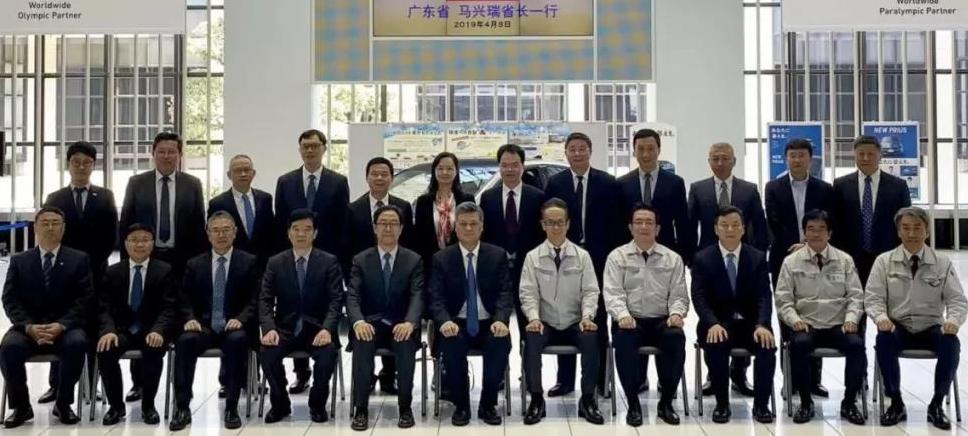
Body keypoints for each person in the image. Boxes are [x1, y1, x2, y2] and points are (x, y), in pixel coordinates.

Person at [118, 132, 206, 402]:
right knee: (141, 315)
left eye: (172, 152)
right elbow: (126, 223)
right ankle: (139, 383)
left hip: (182, 261)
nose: (167, 156)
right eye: (162, 151)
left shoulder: (192, 184)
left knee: (179, 317)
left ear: (180, 155)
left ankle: (181, 382)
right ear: (153, 154)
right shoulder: (137, 183)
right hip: (146, 260)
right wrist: (128, 262)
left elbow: (198, 226)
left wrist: (197, 265)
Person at [866, 207, 967, 430]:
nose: (911, 233)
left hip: (931, 326)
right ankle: (896, 402)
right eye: (906, 228)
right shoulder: (884, 261)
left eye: (917, 228)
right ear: (898, 232)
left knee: (951, 344)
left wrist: (954, 320)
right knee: (883, 340)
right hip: (898, 326)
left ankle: (936, 404)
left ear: (927, 231)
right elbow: (872, 297)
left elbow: (958, 300)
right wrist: (880, 317)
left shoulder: (942, 263)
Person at [542, 132, 623, 397]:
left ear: (590, 151)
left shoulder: (608, 182)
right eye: (572, 149)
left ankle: (599, 380)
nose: (577, 153)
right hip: (564, 257)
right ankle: (565, 380)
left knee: (597, 317)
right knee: (566, 314)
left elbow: (616, 224)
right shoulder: (555, 183)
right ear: (566, 153)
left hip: (599, 259)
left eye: (582, 149)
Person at [0, 207, 94, 428]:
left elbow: (85, 298)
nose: (50, 228)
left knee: (78, 343)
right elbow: (9, 299)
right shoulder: (20, 260)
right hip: (28, 327)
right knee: (9, 347)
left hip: (65, 328)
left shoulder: (79, 259)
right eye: (45, 223)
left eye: (55, 223)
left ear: (63, 228)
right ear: (35, 227)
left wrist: (62, 325)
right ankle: (21, 406)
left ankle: (63, 403)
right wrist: (27, 326)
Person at [40, 141, 118, 405]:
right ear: (68, 165)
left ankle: (92, 384)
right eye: (76, 162)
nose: (81, 167)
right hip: (63, 275)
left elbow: (110, 236)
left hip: (96, 272)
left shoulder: (105, 196)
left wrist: (87, 263)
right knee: (60, 324)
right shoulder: (55, 198)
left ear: (93, 166)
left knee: (93, 327)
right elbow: (51, 237)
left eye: (87, 163)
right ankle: (56, 385)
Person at [688, 142, 768, 396]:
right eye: (715, 158)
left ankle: (740, 373)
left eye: (725, 158)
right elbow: (690, 226)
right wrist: (692, 259)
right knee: (713, 319)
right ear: (709, 161)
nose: (720, 163)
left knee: (744, 315)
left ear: (734, 161)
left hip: (743, 264)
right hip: (710, 266)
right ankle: (715, 375)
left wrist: (755, 259)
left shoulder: (749, 189)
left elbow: (759, 226)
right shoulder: (698, 189)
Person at [169, 212, 261, 431]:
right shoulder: (194, 264)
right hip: (204, 326)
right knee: (185, 341)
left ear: (235, 232)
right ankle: (182, 407)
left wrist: (241, 319)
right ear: (208, 234)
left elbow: (255, 299)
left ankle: (231, 407)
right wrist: (190, 319)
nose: (221, 235)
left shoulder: (248, 262)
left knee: (237, 341)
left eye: (226, 230)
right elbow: (183, 298)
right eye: (216, 230)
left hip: (234, 324)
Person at [273, 129, 349, 394]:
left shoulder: (338, 182)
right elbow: (281, 223)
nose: (310, 150)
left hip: (325, 262)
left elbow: (342, 224)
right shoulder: (285, 182)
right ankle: (301, 373)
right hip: (294, 259)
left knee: (320, 313)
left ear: (324, 148)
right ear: (300, 149)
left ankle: (320, 373)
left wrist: (338, 262)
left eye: (315, 146)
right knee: (295, 312)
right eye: (305, 146)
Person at [617, 128, 692, 394]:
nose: (646, 154)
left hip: (665, 257)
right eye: (641, 149)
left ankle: (665, 378)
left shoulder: (675, 182)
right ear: (634, 151)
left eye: (651, 148)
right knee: (636, 312)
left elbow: (683, 221)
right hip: (632, 256)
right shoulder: (623, 183)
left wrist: (685, 256)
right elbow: (619, 224)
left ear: (659, 150)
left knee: (663, 315)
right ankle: (638, 378)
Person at [773, 209, 866, 425]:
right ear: (804, 233)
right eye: (810, 229)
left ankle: (849, 402)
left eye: (821, 229)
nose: (815, 234)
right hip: (807, 324)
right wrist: (794, 320)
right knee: (799, 344)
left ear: (830, 233)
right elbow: (783, 299)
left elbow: (856, 296)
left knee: (856, 346)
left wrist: (851, 319)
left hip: (838, 324)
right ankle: (806, 402)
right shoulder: (791, 262)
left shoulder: (844, 260)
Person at [519, 198, 603, 425]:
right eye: (550, 222)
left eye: (559, 222)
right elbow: (528, 292)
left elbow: (591, 291)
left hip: (575, 322)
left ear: (567, 225)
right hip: (545, 323)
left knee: (591, 337)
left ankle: (588, 399)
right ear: (542, 225)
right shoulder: (533, 257)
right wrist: (534, 318)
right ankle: (537, 399)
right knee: (531, 338)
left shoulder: (582, 256)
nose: (555, 227)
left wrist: (587, 317)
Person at [428, 202, 513, 426]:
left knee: (499, 343)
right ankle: (462, 405)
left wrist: (501, 320)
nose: (468, 228)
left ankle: (488, 404)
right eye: (463, 224)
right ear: (455, 227)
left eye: (473, 224)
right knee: (451, 343)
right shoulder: (442, 258)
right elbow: (435, 298)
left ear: (481, 226)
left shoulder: (497, 255)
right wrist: (444, 321)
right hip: (456, 323)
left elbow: (505, 294)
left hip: (489, 322)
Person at [603, 203, 688, 426]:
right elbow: (612, 293)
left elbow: (679, 294)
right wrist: (622, 315)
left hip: (662, 320)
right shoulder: (617, 257)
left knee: (676, 337)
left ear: (657, 229)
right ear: (631, 228)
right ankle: (633, 403)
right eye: (638, 222)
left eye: (649, 222)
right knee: (624, 340)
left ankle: (666, 402)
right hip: (630, 320)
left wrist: (677, 314)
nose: (644, 227)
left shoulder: (672, 258)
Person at [691, 207, 776, 424]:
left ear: (743, 229)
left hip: (751, 324)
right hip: (717, 323)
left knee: (767, 345)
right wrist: (712, 323)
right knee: (716, 343)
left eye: (735, 225)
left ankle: (761, 405)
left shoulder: (756, 257)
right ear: (715, 229)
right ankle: (722, 404)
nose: (730, 229)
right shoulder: (703, 258)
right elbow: (699, 297)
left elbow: (764, 296)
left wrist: (763, 324)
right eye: (724, 225)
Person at [259, 209, 344, 424]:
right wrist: (269, 328)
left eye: (307, 229)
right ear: (288, 233)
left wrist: (327, 329)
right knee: (267, 352)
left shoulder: (329, 262)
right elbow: (265, 300)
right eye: (296, 229)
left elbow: (336, 301)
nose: (301, 234)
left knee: (327, 355)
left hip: (318, 329)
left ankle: (317, 404)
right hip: (285, 328)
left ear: (315, 233)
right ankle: (280, 404)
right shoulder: (275, 262)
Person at [764, 138, 833, 398]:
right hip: (784, 258)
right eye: (792, 155)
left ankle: (814, 380)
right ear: (786, 159)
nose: (796, 160)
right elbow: (774, 221)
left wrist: (808, 246)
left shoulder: (824, 189)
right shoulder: (773, 187)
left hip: (818, 259)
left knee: (817, 314)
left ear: (810, 159)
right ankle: (790, 380)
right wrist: (796, 247)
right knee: (787, 318)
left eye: (801, 155)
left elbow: (828, 221)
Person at [346, 205, 424, 431]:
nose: (388, 228)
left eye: (393, 224)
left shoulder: (413, 260)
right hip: (370, 323)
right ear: (374, 227)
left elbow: (418, 295)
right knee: (362, 341)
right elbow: (352, 296)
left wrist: (410, 323)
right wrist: (358, 322)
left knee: (405, 343)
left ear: (401, 229)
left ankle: (405, 407)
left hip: (401, 324)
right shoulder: (361, 260)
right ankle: (361, 409)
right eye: (383, 223)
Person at [343, 157, 415, 394]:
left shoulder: (404, 207)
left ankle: (388, 375)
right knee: (368, 329)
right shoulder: (353, 209)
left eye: (384, 174)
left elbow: (408, 245)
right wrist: (351, 280)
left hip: (396, 279)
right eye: (374, 173)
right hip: (365, 282)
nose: (379, 178)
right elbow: (347, 247)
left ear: (392, 178)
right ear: (367, 178)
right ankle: (367, 377)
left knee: (395, 320)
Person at [96, 223, 178, 425]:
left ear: (152, 243)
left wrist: (159, 330)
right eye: (134, 240)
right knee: (106, 349)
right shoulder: (113, 272)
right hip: (122, 331)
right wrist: (108, 330)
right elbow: (103, 307)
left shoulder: (165, 271)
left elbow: (169, 307)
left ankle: (148, 406)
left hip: (151, 330)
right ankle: (116, 406)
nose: (139, 244)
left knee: (154, 348)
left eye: (144, 240)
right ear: (125, 244)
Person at [480, 144, 545, 338]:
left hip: (528, 267)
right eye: (505, 165)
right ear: (499, 167)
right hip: (497, 268)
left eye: (515, 165)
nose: (510, 169)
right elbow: (485, 234)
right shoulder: (488, 197)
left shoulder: (537, 197)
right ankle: (502, 357)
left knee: (529, 322)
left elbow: (540, 234)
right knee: (498, 322)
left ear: (522, 167)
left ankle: (528, 357)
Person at [831, 135, 912, 285]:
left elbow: (905, 221)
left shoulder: (898, 186)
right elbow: (835, 222)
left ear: (880, 155)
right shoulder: (841, 185)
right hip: (850, 256)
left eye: (871, 154)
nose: (866, 158)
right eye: (861, 154)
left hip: (888, 254)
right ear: (855, 155)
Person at [208, 154, 276, 268]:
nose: (243, 174)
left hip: (263, 264)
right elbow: (212, 236)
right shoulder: (217, 203)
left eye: (247, 170)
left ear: (253, 173)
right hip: (233, 265)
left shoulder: (265, 199)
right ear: (229, 175)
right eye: (238, 170)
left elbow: (272, 233)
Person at [413, 152, 475, 275]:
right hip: (430, 262)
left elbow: (471, 231)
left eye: (449, 168)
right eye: (440, 168)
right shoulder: (423, 201)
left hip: (459, 260)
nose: (445, 172)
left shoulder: (466, 199)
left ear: (456, 171)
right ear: (434, 171)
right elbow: (419, 236)